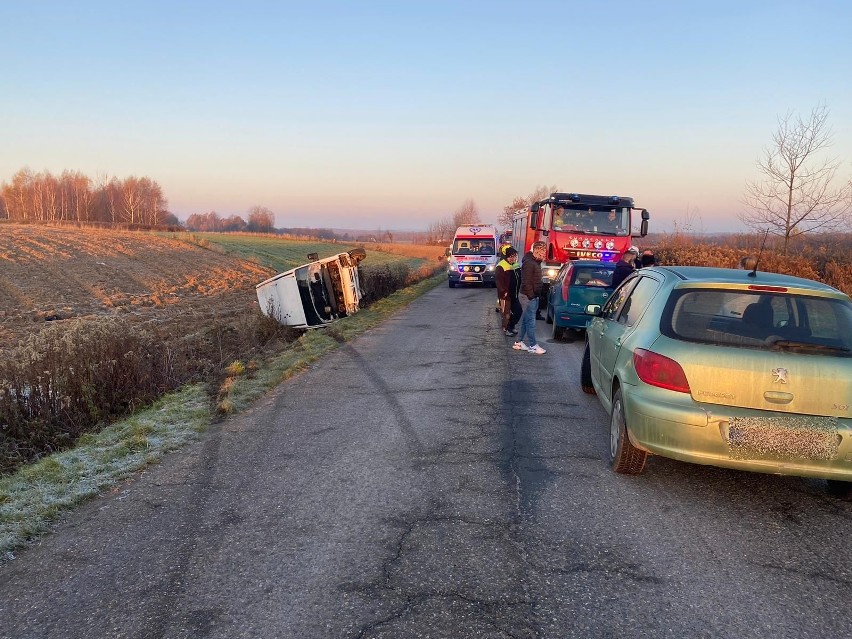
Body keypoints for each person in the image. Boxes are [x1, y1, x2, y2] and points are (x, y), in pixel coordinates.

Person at [513, 241, 547, 355]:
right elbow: (526, 282)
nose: (544, 254)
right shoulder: (529, 263)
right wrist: (532, 296)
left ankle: (519, 342)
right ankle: (533, 345)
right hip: (528, 296)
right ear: (536, 250)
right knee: (531, 322)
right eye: (542, 251)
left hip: (532, 296)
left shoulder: (535, 261)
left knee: (525, 320)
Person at [496, 247, 521, 335]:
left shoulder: (515, 265)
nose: (513, 258)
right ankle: (506, 329)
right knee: (506, 314)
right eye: (511, 257)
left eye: (514, 256)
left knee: (518, 311)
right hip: (506, 295)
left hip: (514, 294)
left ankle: (511, 326)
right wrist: (503, 292)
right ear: (506, 256)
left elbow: (519, 278)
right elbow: (499, 282)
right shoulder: (501, 266)